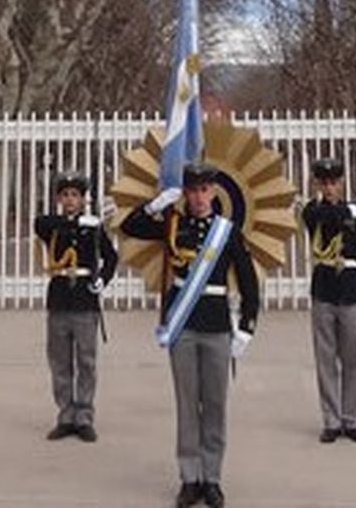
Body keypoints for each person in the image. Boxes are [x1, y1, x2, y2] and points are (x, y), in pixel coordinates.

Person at [120, 162, 260, 508]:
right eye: (192, 190)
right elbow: (130, 226)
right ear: (184, 193)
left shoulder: (226, 232)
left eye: (204, 190)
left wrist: (246, 326)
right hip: (182, 326)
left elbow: (248, 281)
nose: (198, 197)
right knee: (186, 404)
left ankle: (212, 477)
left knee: (214, 404)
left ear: (214, 192)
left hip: (215, 326)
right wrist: (155, 204)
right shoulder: (173, 225)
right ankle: (190, 477)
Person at [301, 157, 356, 444]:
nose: (329, 187)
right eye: (324, 183)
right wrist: (348, 211)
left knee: (352, 358)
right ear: (317, 184)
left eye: (334, 183)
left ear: (341, 183)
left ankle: (352, 419)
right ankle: (331, 420)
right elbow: (323, 220)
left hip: (350, 287)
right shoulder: (313, 209)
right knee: (326, 358)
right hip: (324, 285)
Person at [34, 170, 118, 442]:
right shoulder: (55, 225)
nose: (70, 200)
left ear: (83, 199)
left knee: (86, 359)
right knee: (59, 360)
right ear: (59, 198)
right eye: (66, 195)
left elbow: (111, 258)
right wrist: (76, 220)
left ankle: (84, 414)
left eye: (75, 195)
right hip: (60, 297)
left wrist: (102, 281)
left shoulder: (93, 229)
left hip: (84, 298)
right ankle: (65, 413)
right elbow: (40, 224)